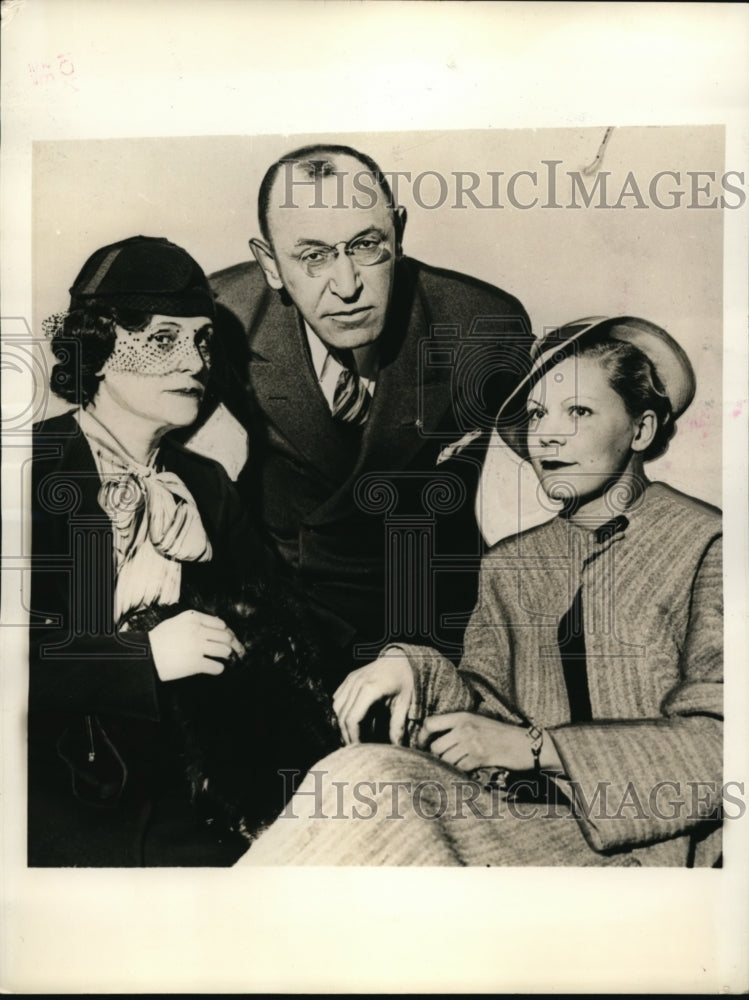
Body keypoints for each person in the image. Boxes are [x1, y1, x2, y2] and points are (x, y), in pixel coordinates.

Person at [239, 316, 723, 867]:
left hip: (658, 852)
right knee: (359, 777)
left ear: (640, 431)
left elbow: (728, 748)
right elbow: (482, 709)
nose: (547, 434)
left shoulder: (708, 543)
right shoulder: (511, 564)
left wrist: (536, 749)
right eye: (537, 414)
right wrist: (413, 669)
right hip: (525, 829)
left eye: (579, 412)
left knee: (370, 782)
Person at [29, 236, 339, 867]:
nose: (195, 362)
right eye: (164, 339)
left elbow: (288, 614)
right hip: (59, 797)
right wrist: (137, 660)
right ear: (98, 346)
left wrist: (399, 657)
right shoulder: (26, 470)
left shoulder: (205, 484)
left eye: (201, 340)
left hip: (197, 794)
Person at [205, 144, 533, 684]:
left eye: (366, 245)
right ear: (269, 264)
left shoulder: (482, 325)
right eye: (312, 256)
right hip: (284, 621)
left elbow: (550, 469)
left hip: (432, 624)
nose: (348, 284)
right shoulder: (223, 319)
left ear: (398, 234)